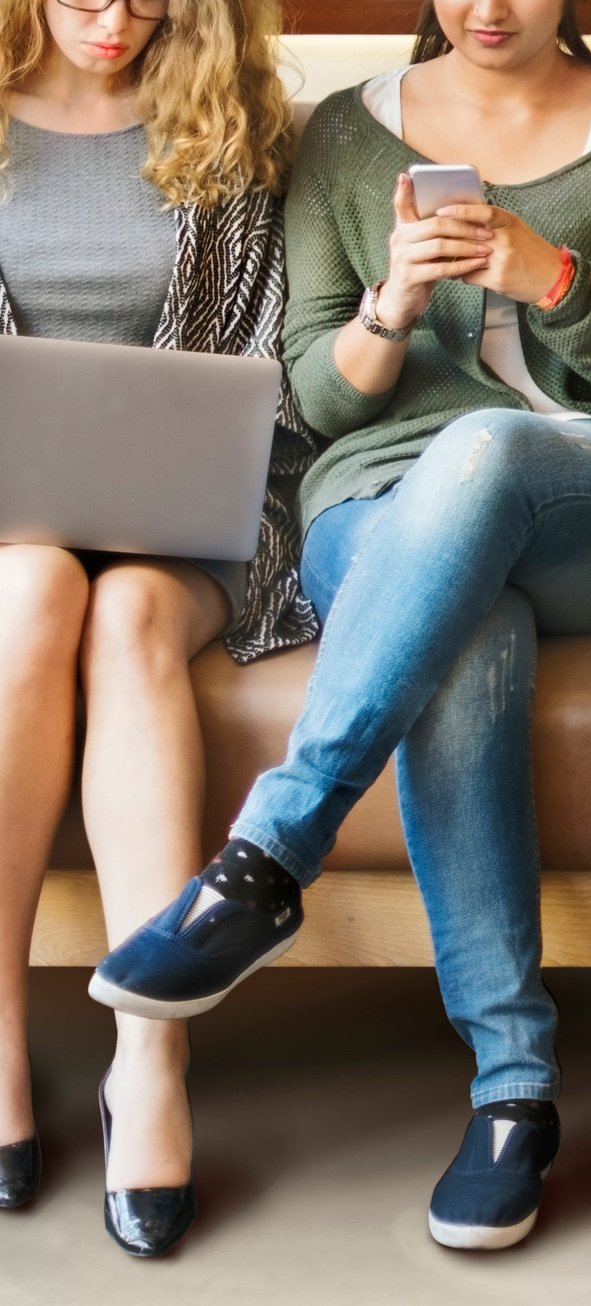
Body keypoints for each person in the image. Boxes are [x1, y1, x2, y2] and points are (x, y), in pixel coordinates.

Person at [87, 0, 591, 1252]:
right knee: (464, 630)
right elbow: (308, 398)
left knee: (485, 447)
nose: (489, 9)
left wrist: (558, 281)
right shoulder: (343, 140)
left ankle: (270, 859)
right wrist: (389, 310)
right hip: (378, 505)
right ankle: (513, 1090)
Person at [0, 0, 307, 1257]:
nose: (117, 20)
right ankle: (4, 1038)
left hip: (190, 528)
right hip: (9, 537)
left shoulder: (233, 122)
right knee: (37, 588)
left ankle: (150, 1061)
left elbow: (265, 370)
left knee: (124, 607)